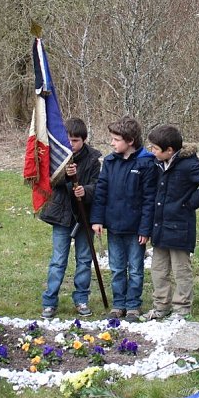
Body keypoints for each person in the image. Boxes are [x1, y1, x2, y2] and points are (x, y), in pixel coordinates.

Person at [144, 124, 199, 322]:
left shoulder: (189, 166)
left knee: (181, 271)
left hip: (180, 229)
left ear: (169, 150)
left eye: (154, 148)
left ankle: (181, 309)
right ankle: (161, 306)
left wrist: (190, 203)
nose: (151, 151)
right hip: (160, 228)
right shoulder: (159, 164)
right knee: (159, 270)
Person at [90, 116, 157, 323]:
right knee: (117, 268)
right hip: (114, 227)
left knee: (136, 268)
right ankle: (118, 304)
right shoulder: (109, 162)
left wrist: (145, 230)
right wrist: (98, 219)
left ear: (130, 140)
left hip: (136, 229)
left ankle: (133, 305)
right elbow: (101, 192)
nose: (112, 143)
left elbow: (149, 200)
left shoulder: (146, 163)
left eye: (116, 139)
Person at [39, 118, 103, 319]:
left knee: (84, 259)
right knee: (58, 260)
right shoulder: (58, 156)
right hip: (62, 214)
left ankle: (81, 298)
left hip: (84, 214)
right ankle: (50, 302)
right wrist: (66, 176)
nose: (71, 145)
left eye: (75, 140)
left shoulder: (93, 158)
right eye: (68, 141)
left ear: (84, 139)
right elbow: (49, 182)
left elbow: (98, 185)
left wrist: (85, 190)